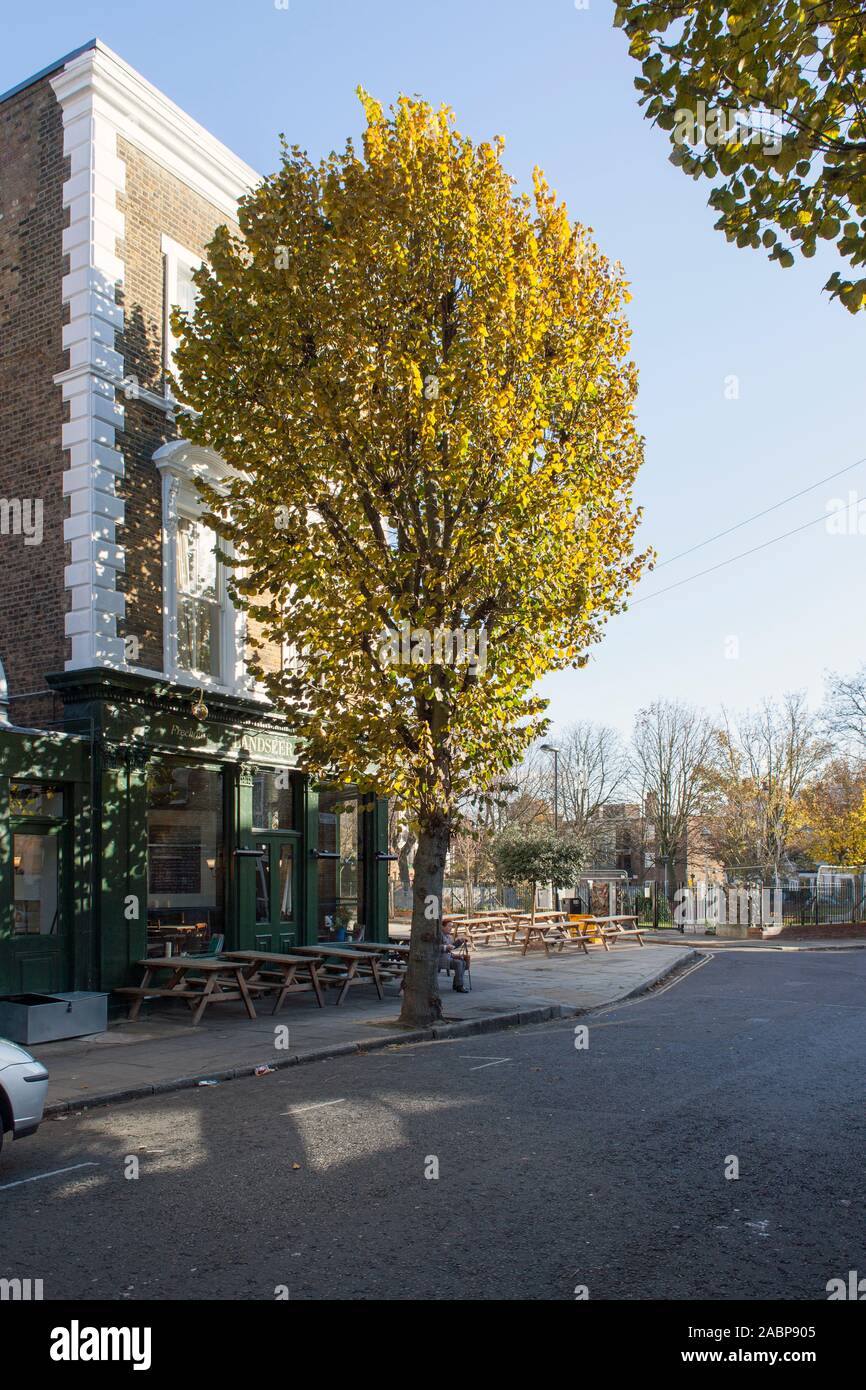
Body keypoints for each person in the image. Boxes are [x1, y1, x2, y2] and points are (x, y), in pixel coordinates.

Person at [439, 926, 469, 992]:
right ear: (442, 927)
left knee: (463, 962)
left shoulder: (450, 936)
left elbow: (452, 946)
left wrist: (460, 942)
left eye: (452, 926)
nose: (450, 928)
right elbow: (435, 946)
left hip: (449, 957)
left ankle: (457, 984)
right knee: (459, 963)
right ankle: (459, 985)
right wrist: (445, 947)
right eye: (449, 926)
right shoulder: (439, 935)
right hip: (440, 958)